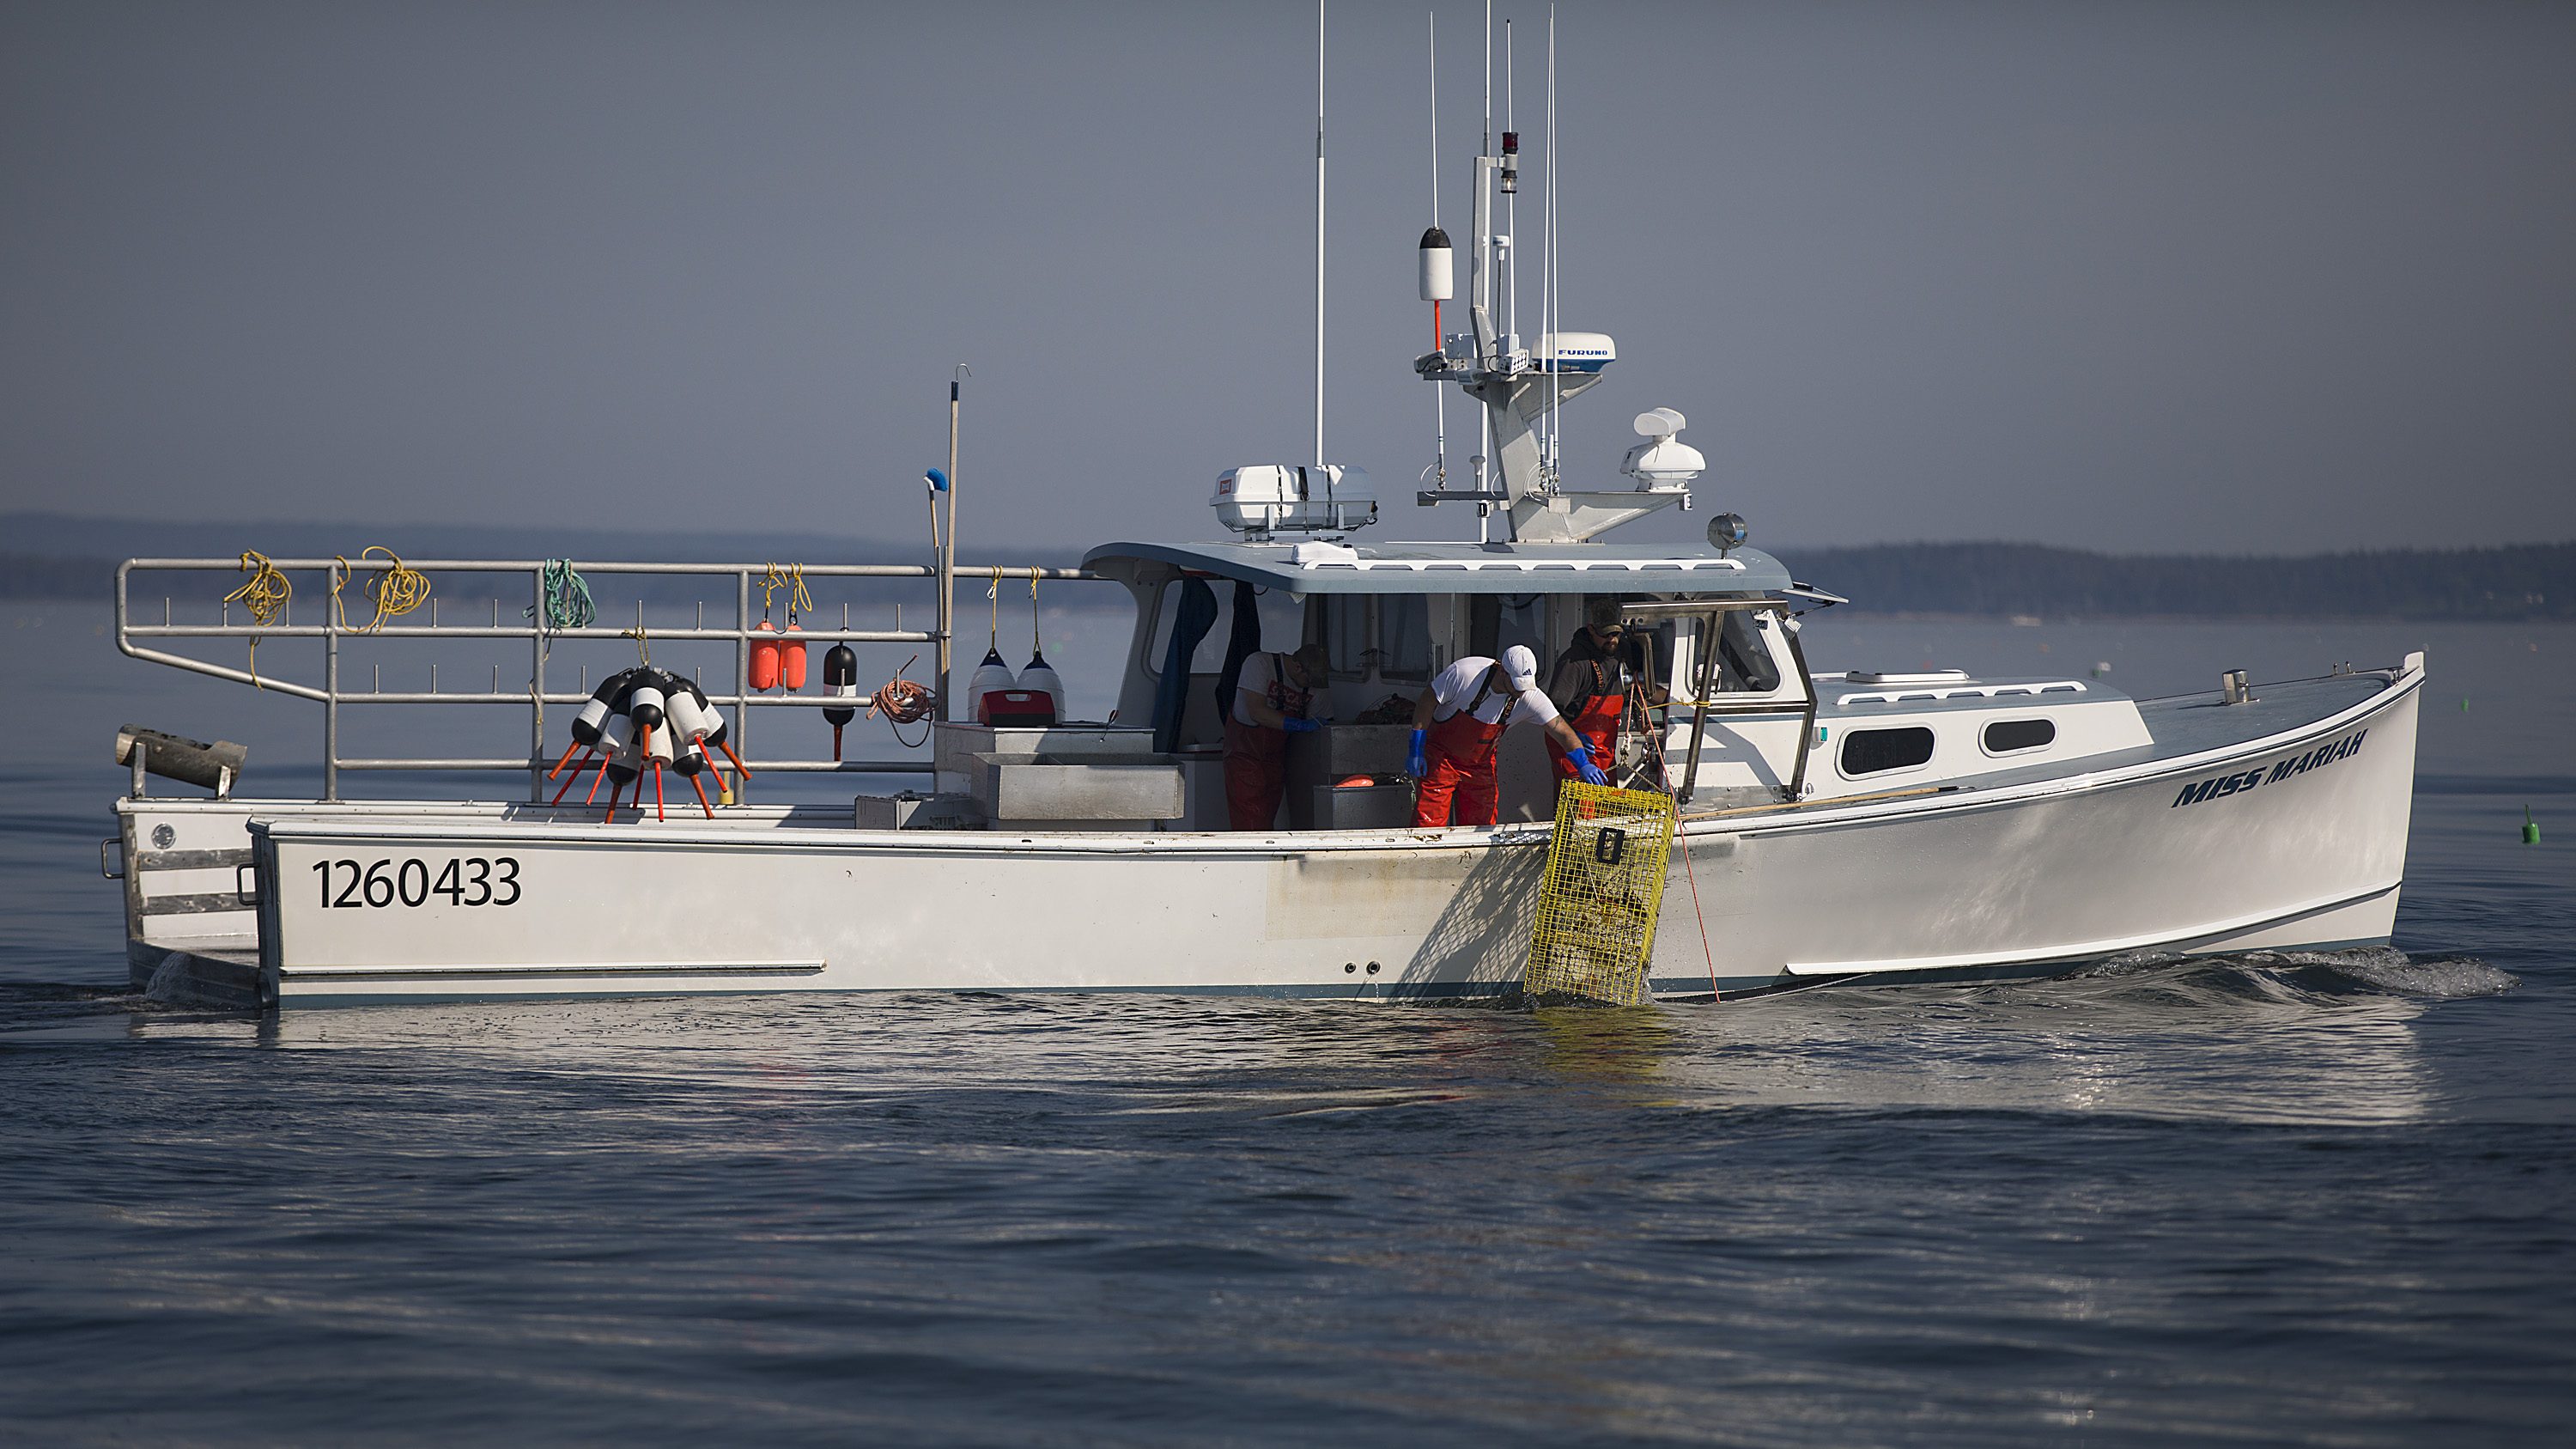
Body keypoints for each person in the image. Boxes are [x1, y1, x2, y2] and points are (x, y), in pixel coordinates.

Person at [1408, 644, 1605, 828]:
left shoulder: (1530, 696)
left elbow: (1563, 731)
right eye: (1517, 684)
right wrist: (1415, 749)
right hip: (1441, 759)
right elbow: (1427, 701)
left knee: (1481, 825)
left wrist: (1582, 762)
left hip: (1480, 765)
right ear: (1502, 670)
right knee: (1428, 824)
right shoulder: (1465, 673)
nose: (1521, 692)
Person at [1544, 599, 1656, 783]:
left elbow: (1638, 686)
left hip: (1605, 752)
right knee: (1579, 808)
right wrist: (1573, 738)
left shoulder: (1621, 651)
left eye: (1615, 633)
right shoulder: (1574, 663)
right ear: (1591, 630)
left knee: (1604, 806)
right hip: (1574, 753)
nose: (1612, 639)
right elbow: (1549, 715)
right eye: (1605, 634)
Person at [1224, 642, 1332, 830]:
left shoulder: (1315, 691)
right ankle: (1252, 857)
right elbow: (1256, 711)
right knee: (1250, 818)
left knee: (1267, 815)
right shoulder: (1259, 664)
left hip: (1277, 758)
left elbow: (1321, 725)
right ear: (1298, 667)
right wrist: (1297, 724)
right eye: (1310, 680)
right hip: (1245, 753)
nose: (1313, 685)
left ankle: (1265, 856)